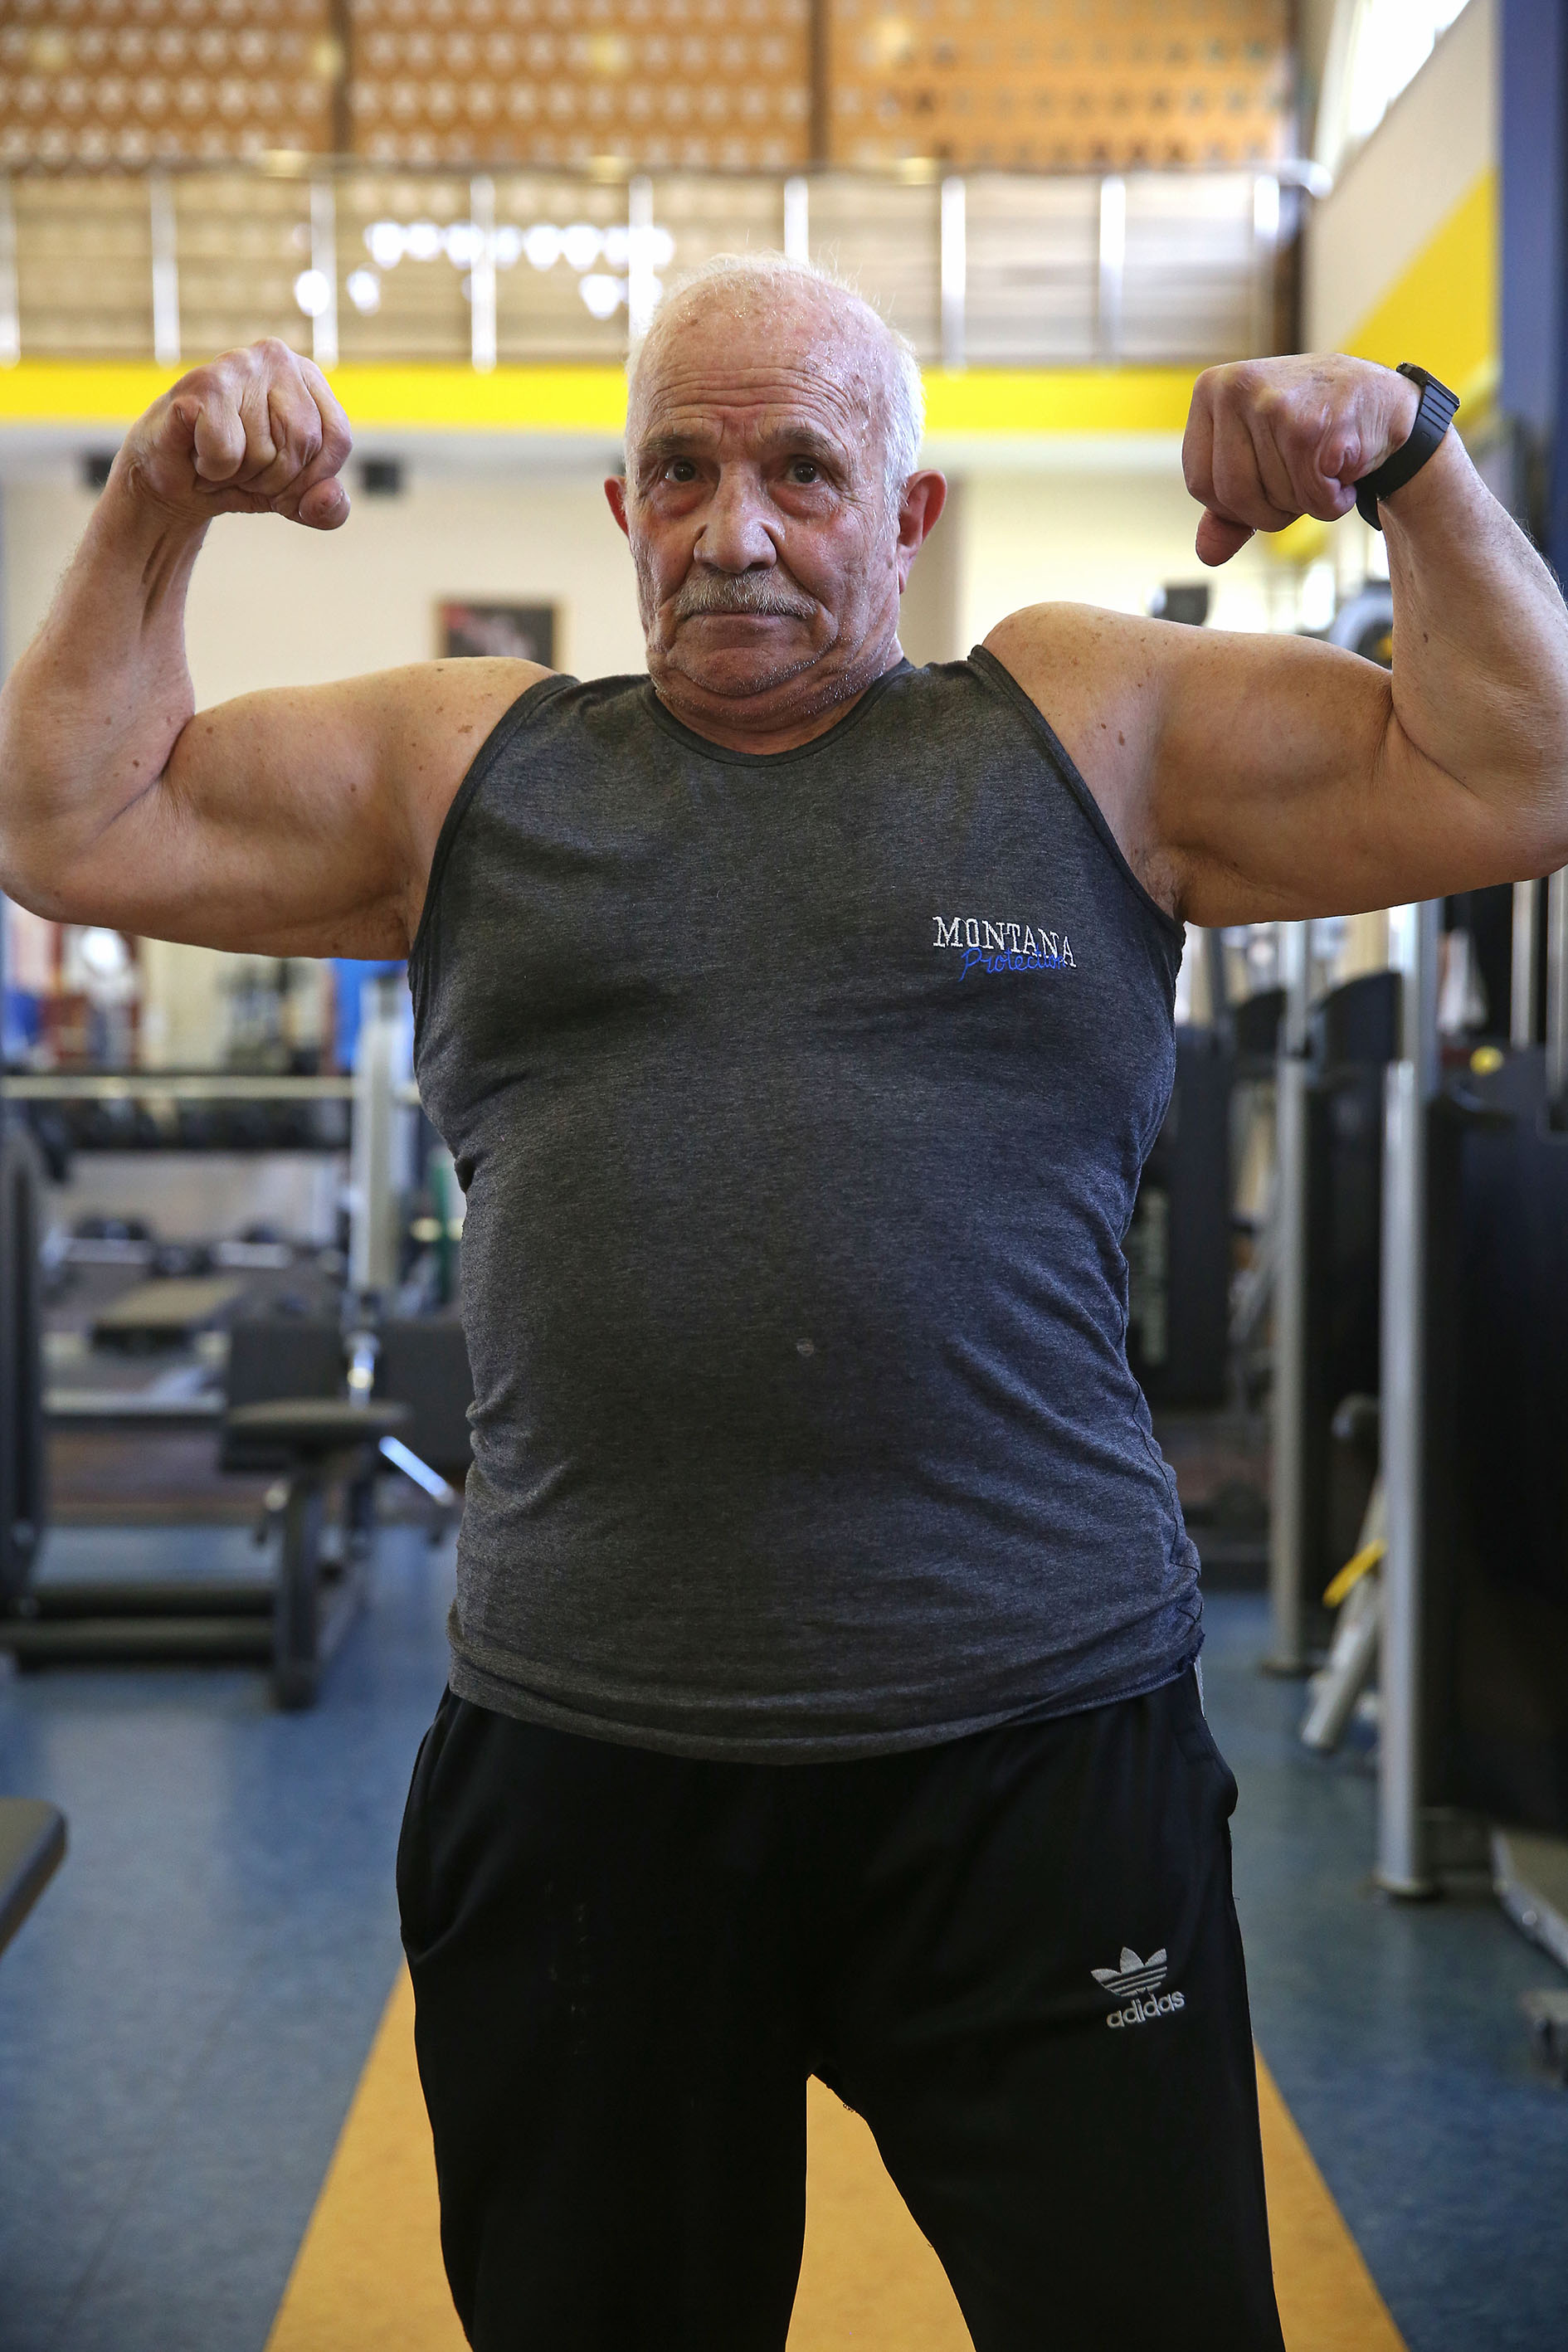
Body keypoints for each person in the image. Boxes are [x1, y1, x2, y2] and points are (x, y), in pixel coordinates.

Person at [2, 256, 1565, 2350]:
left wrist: (1411, 453)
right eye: (682, 470)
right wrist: (155, 502)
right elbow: (68, 819)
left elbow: (1522, 766)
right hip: (587, 1767)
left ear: (908, 514)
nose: (734, 529)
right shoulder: (468, 766)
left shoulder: (1084, 729)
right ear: (621, 509)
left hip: (1039, 1764)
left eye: (803, 472)